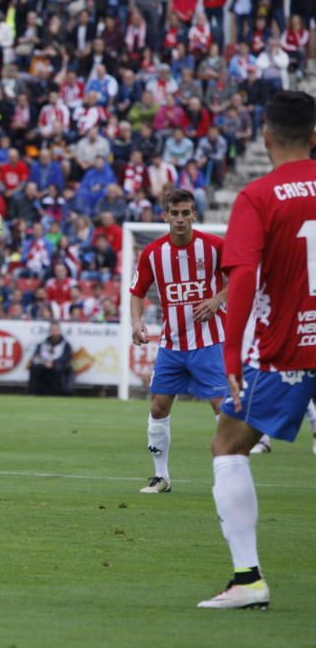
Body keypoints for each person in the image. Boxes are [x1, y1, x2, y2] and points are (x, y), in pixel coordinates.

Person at [198, 91, 316, 610]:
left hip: (289, 350)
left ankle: (248, 579)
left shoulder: (259, 197)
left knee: (227, 445)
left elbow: (243, 276)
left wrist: (229, 359)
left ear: (265, 137)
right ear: (314, 137)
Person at [130, 188, 227, 494]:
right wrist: (137, 322)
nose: (181, 219)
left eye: (186, 213)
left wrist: (217, 299)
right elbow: (137, 291)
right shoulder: (153, 253)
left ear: (194, 215)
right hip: (172, 346)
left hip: (210, 343)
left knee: (223, 410)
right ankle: (161, 477)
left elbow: (242, 276)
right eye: (175, 214)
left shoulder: (214, 246)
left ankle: (230, 476)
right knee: (158, 408)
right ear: (166, 216)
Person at [26, 322, 74, 396]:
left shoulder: (65, 344)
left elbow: (66, 358)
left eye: (56, 330)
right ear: (50, 331)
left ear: (60, 330)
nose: (54, 332)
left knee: (57, 369)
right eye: (53, 330)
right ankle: (33, 392)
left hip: (57, 365)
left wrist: (53, 363)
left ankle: (55, 392)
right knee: (35, 367)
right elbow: (36, 356)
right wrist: (45, 362)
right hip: (44, 364)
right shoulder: (43, 343)